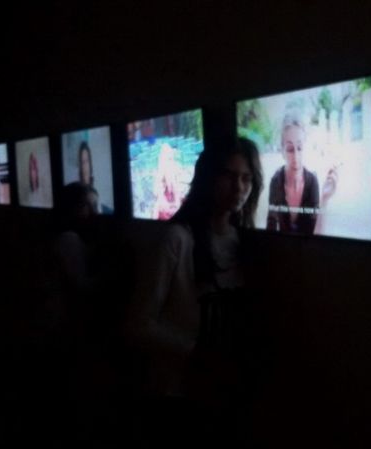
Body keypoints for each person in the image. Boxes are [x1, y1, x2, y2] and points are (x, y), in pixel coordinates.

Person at [124, 138, 262, 446]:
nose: (239, 187)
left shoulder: (243, 241)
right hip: (177, 395)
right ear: (209, 177)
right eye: (229, 176)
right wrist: (197, 353)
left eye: (246, 178)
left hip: (223, 391)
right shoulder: (177, 239)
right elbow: (137, 323)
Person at [266, 114, 338, 235]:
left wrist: (324, 199)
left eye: (299, 147)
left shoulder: (312, 181)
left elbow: (317, 236)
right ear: (282, 151)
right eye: (290, 149)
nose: (296, 156)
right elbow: (271, 226)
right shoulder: (276, 181)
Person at [153, 142, 183, 220]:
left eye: (171, 159)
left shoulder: (175, 172)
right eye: (168, 159)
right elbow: (158, 194)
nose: (170, 161)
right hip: (164, 213)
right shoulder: (159, 176)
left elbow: (178, 193)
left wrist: (176, 204)